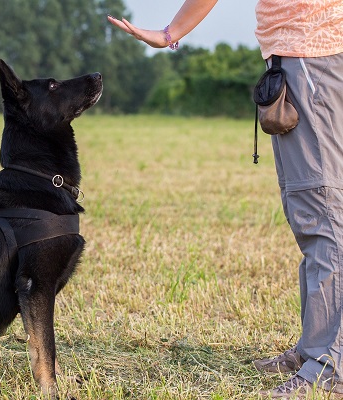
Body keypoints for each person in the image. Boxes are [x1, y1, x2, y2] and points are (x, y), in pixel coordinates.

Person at [108, 1, 343, 398]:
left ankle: (329, 367)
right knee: (310, 215)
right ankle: (314, 350)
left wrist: (170, 34)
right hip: (297, 57)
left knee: (325, 216)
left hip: (313, 56)